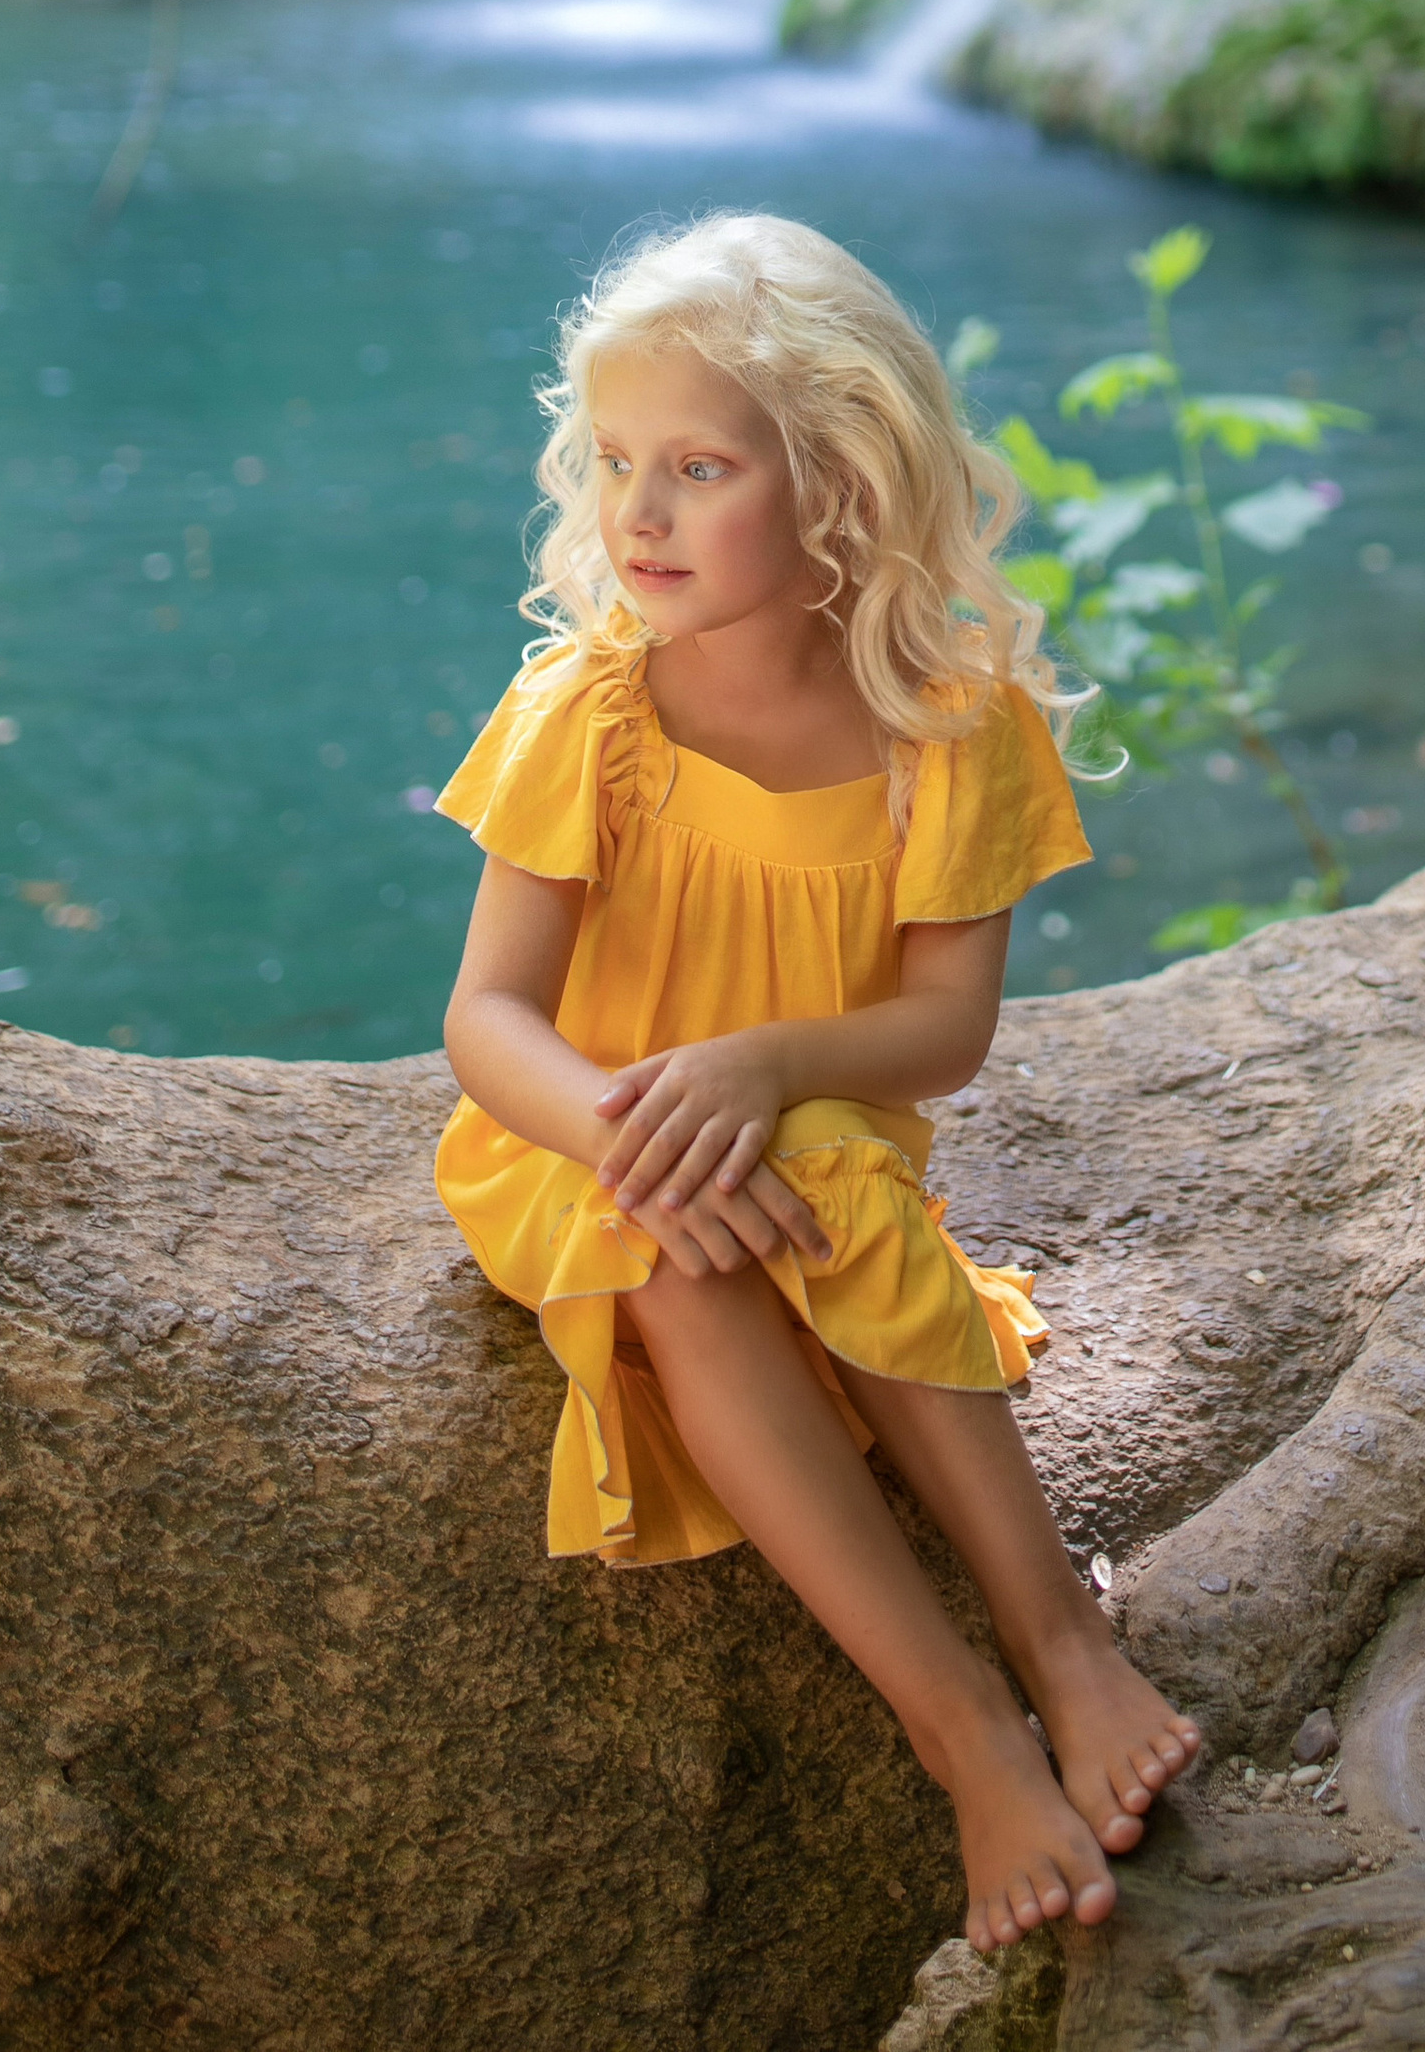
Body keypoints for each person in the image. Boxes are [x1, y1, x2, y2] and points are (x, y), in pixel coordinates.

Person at [433, 209, 1201, 1951]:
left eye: (697, 468)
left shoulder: (949, 719)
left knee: (846, 1196)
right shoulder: (595, 713)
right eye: (616, 460)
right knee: (694, 1273)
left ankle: (1068, 1649)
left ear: (839, 481)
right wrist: (632, 1133)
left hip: (816, 1117)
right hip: (590, 1140)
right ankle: (969, 1739)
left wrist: (772, 1066)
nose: (636, 516)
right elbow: (489, 1021)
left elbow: (945, 1030)